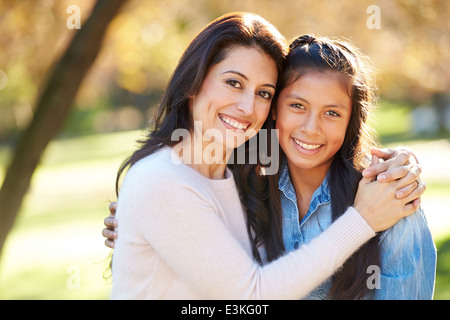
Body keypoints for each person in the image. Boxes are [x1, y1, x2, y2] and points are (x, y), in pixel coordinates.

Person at [106, 12, 425, 299]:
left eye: (263, 93)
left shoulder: (241, 179)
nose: (247, 107)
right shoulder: (164, 180)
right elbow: (252, 296)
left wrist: (401, 162)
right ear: (194, 80)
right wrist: (363, 220)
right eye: (233, 83)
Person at [272, 35, 436, 299]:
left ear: (351, 121)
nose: (311, 128)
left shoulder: (393, 199)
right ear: (274, 108)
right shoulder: (244, 189)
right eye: (297, 106)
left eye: (332, 113)